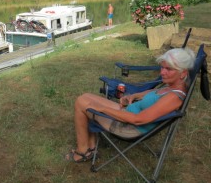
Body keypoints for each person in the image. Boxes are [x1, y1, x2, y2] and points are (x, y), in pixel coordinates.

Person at [66, 47, 196, 163]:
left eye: (168, 69)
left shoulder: (173, 97)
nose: (162, 72)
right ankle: (91, 146)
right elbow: (154, 92)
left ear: (183, 73)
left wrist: (103, 109)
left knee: (82, 103)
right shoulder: (172, 87)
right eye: (162, 67)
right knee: (85, 97)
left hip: (128, 127)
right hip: (127, 113)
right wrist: (134, 96)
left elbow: (138, 120)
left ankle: (82, 152)